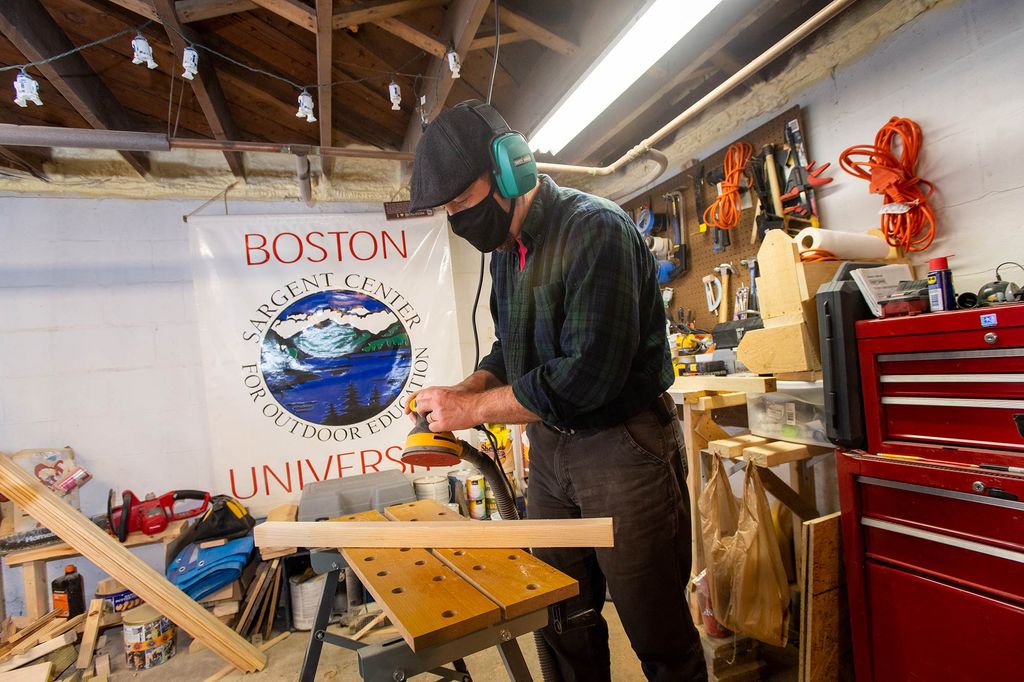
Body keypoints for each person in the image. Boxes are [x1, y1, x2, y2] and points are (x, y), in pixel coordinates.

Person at [406, 99, 707, 682]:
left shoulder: (596, 230)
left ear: (510, 169)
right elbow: (510, 353)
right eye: (448, 211)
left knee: (657, 629)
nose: (459, 221)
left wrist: (471, 409)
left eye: (462, 204)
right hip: (549, 452)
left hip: (622, 447)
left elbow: (586, 377)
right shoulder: (507, 257)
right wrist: (470, 386)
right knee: (561, 617)